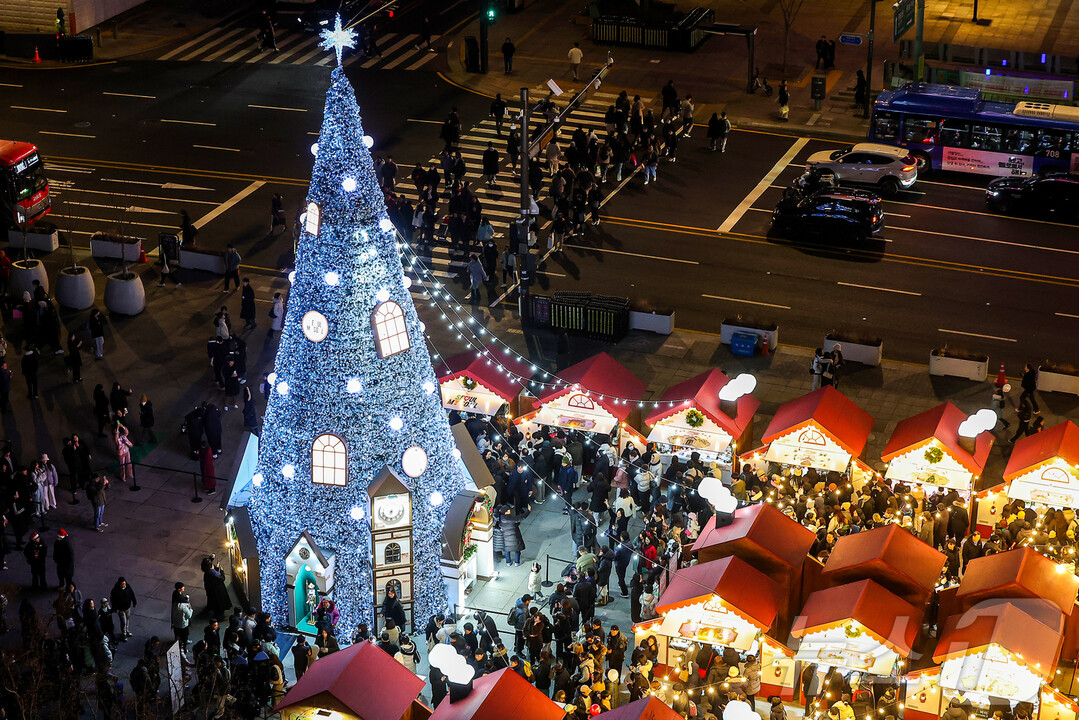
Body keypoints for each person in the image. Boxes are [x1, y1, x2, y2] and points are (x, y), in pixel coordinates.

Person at [171, 584, 193, 652]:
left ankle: (177, 642)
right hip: (183, 624)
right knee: (184, 635)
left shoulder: (175, 605)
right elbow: (188, 615)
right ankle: (184, 645)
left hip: (176, 623)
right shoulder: (184, 607)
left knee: (177, 634)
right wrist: (191, 609)